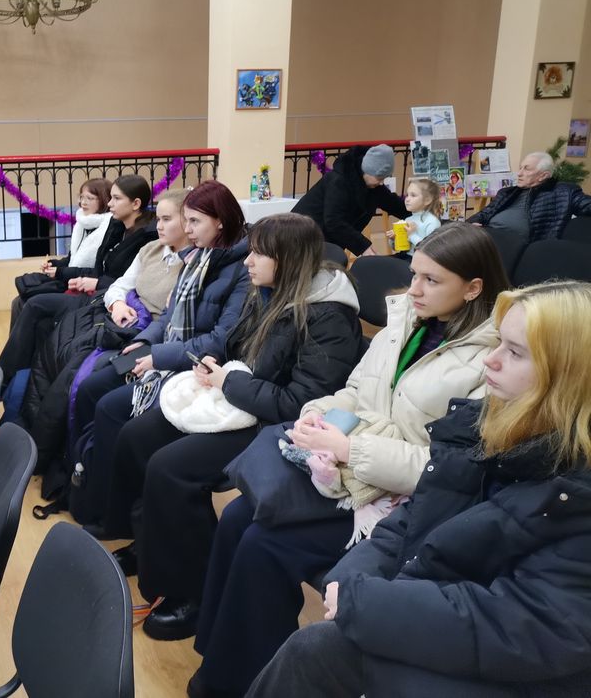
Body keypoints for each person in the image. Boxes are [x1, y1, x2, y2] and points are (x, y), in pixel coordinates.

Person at [189, 222, 510, 698]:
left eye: (431, 280)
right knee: (239, 515)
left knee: (263, 544)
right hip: (353, 470)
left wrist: (350, 448)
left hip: (402, 502)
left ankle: (243, 682)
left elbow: (449, 469)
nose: (414, 289)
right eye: (414, 274)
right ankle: (221, 660)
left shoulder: (493, 362)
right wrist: (317, 415)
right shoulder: (404, 323)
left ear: (473, 288)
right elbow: (355, 391)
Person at [248, 281, 591, 698]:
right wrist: (354, 580)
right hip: (441, 595)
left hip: (523, 668)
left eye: (515, 352)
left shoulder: (572, 488)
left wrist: (372, 604)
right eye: (499, 342)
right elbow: (415, 516)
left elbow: (535, 626)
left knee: (317, 650)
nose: (492, 359)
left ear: (571, 374)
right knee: (263, 545)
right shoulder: (487, 424)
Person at [101, 213, 364, 642]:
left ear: (289, 259)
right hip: (241, 397)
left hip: (275, 423)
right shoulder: (269, 291)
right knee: (137, 436)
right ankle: (152, 545)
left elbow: (299, 403)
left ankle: (193, 590)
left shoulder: (328, 317)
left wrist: (230, 382)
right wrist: (214, 366)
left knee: (172, 469)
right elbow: (235, 345)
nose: (247, 261)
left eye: (259, 253)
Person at [71, 180, 251, 529]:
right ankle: (92, 496)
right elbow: (169, 317)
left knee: (112, 410)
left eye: (194, 221)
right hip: (168, 351)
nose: (187, 228)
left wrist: (159, 356)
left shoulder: (239, 271)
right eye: (186, 220)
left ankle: (116, 514)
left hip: (194, 369)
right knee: (93, 388)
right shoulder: (199, 256)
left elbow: (219, 342)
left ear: (220, 222)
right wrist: (145, 340)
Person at [20, 189, 191, 481]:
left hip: (145, 333)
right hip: (120, 317)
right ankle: (38, 441)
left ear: (187, 223)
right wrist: (118, 304)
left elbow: (170, 319)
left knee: (79, 369)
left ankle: (62, 456)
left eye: (166, 219)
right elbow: (119, 285)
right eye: (158, 219)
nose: (159, 226)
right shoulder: (151, 249)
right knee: (57, 344)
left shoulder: (191, 265)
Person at [0, 174, 156, 385]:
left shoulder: (146, 238)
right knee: (33, 312)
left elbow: (130, 282)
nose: (110, 203)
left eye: (116, 198)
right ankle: (18, 379)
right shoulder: (116, 226)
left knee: (35, 304)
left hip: (104, 300)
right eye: (110, 198)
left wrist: (91, 281)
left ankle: (5, 378)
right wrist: (79, 277)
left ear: (135, 204)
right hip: (95, 292)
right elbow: (98, 267)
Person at [10, 178, 112, 326]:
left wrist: (59, 272)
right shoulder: (82, 224)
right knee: (18, 302)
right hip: (70, 281)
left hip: (86, 290)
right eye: (81, 197)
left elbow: (96, 271)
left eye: (90, 198)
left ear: (104, 200)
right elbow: (72, 259)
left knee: (29, 305)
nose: (83, 202)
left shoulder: (109, 228)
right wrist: (53, 264)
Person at [292, 144, 410, 257]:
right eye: (379, 178)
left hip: (326, 244)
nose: (381, 183)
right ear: (366, 170)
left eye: (384, 178)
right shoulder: (339, 181)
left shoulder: (375, 187)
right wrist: (363, 246)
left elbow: (396, 206)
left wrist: (418, 214)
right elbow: (334, 222)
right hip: (302, 240)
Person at [467, 151, 591, 241]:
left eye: (526, 169)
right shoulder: (507, 192)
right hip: (487, 238)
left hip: (520, 246)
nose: (519, 173)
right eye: (520, 168)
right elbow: (484, 213)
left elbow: (587, 205)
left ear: (543, 175)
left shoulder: (563, 192)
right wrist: (471, 224)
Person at [385, 177, 442, 257]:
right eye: (407, 195)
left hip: (421, 260)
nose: (407, 199)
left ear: (427, 200)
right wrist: (395, 239)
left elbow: (430, 250)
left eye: (413, 195)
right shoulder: (408, 219)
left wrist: (411, 235)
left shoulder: (432, 222)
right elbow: (400, 248)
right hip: (405, 256)